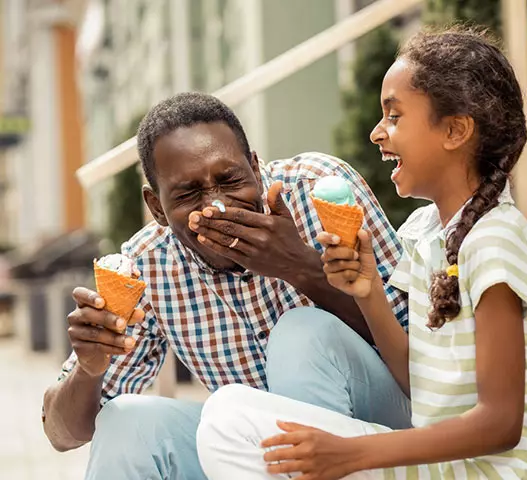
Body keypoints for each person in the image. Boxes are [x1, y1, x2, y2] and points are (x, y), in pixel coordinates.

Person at [196, 26, 527, 479]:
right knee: (226, 410)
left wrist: (351, 454)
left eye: (394, 116)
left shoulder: (496, 240)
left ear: (455, 130)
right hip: (437, 467)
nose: (376, 133)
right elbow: (420, 385)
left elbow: (501, 423)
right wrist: (368, 295)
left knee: (230, 426)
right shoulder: (426, 232)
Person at [41, 92, 410, 480]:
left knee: (302, 332)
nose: (215, 206)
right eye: (188, 194)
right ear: (157, 208)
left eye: (229, 179)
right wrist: (88, 368)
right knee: (126, 423)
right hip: (251, 454)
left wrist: (302, 270)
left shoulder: (318, 189)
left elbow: (422, 353)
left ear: (254, 166)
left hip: (381, 435)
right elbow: (62, 434)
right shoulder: (147, 265)